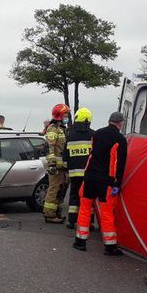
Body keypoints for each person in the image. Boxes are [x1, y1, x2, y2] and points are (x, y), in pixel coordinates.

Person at [73, 111, 128, 255]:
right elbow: (120, 165)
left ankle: (80, 241)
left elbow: (92, 155)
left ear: (109, 120)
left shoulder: (96, 134)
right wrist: (117, 184)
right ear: (120, 123)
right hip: (105, 181)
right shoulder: (120, 139)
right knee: (107, 213)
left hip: (89, 177)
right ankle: (110, 247)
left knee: (84, 209)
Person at [64, 107, 95, 229]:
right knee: (88, 198)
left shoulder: (70, 136)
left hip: (74, 174)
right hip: (88, 174)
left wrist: (67, 169)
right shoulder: (93, 135)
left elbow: (65, 156)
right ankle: (89, 222)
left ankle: (71, 221)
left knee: (74, 196)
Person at [43, 104, 71, 223]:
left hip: (63, 167)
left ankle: (56, 212)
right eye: (65, 114)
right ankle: (49, 215)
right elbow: (50, 147)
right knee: (54, 189)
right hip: (56, 166)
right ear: (59, 115)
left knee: (61, 189)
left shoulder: (62, 129)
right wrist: (52, 164)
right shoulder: (53, 128)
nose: (67, 116)